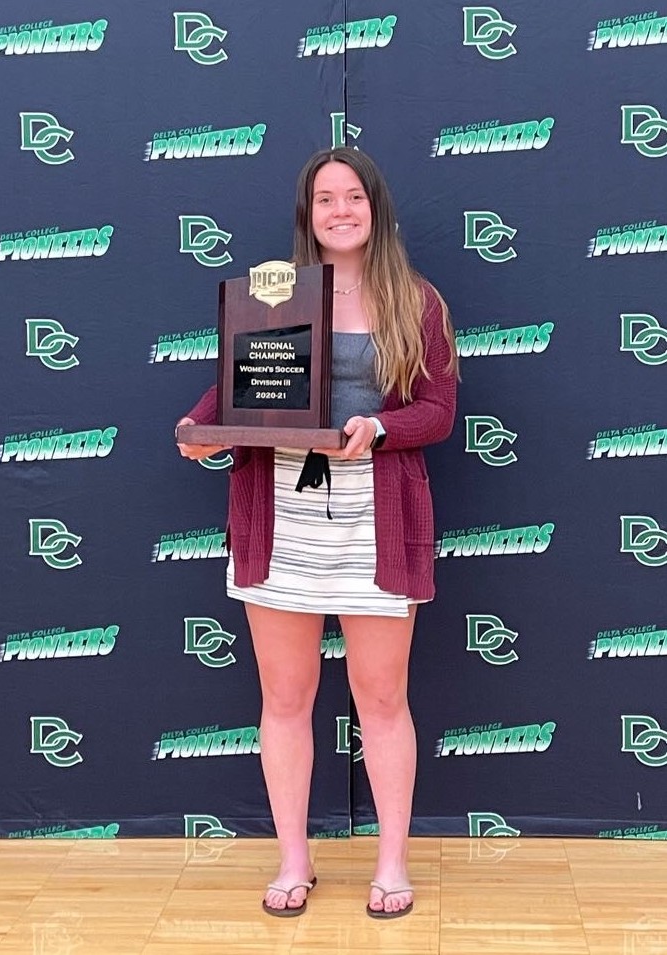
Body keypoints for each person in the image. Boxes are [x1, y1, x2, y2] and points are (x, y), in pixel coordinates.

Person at [177, 146, 458, 919]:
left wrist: (380, 424)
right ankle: (293, 860)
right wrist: (198, 428)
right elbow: (237, 380)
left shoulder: (416, 299)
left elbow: (436, 411)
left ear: (376, 208)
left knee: (381, 698)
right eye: (324, 198)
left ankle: (391, 863)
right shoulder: (276, 293)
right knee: (286, 697)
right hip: (280, 519)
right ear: (307, 213)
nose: (340, 209)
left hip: (377, 518)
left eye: (353, 197)